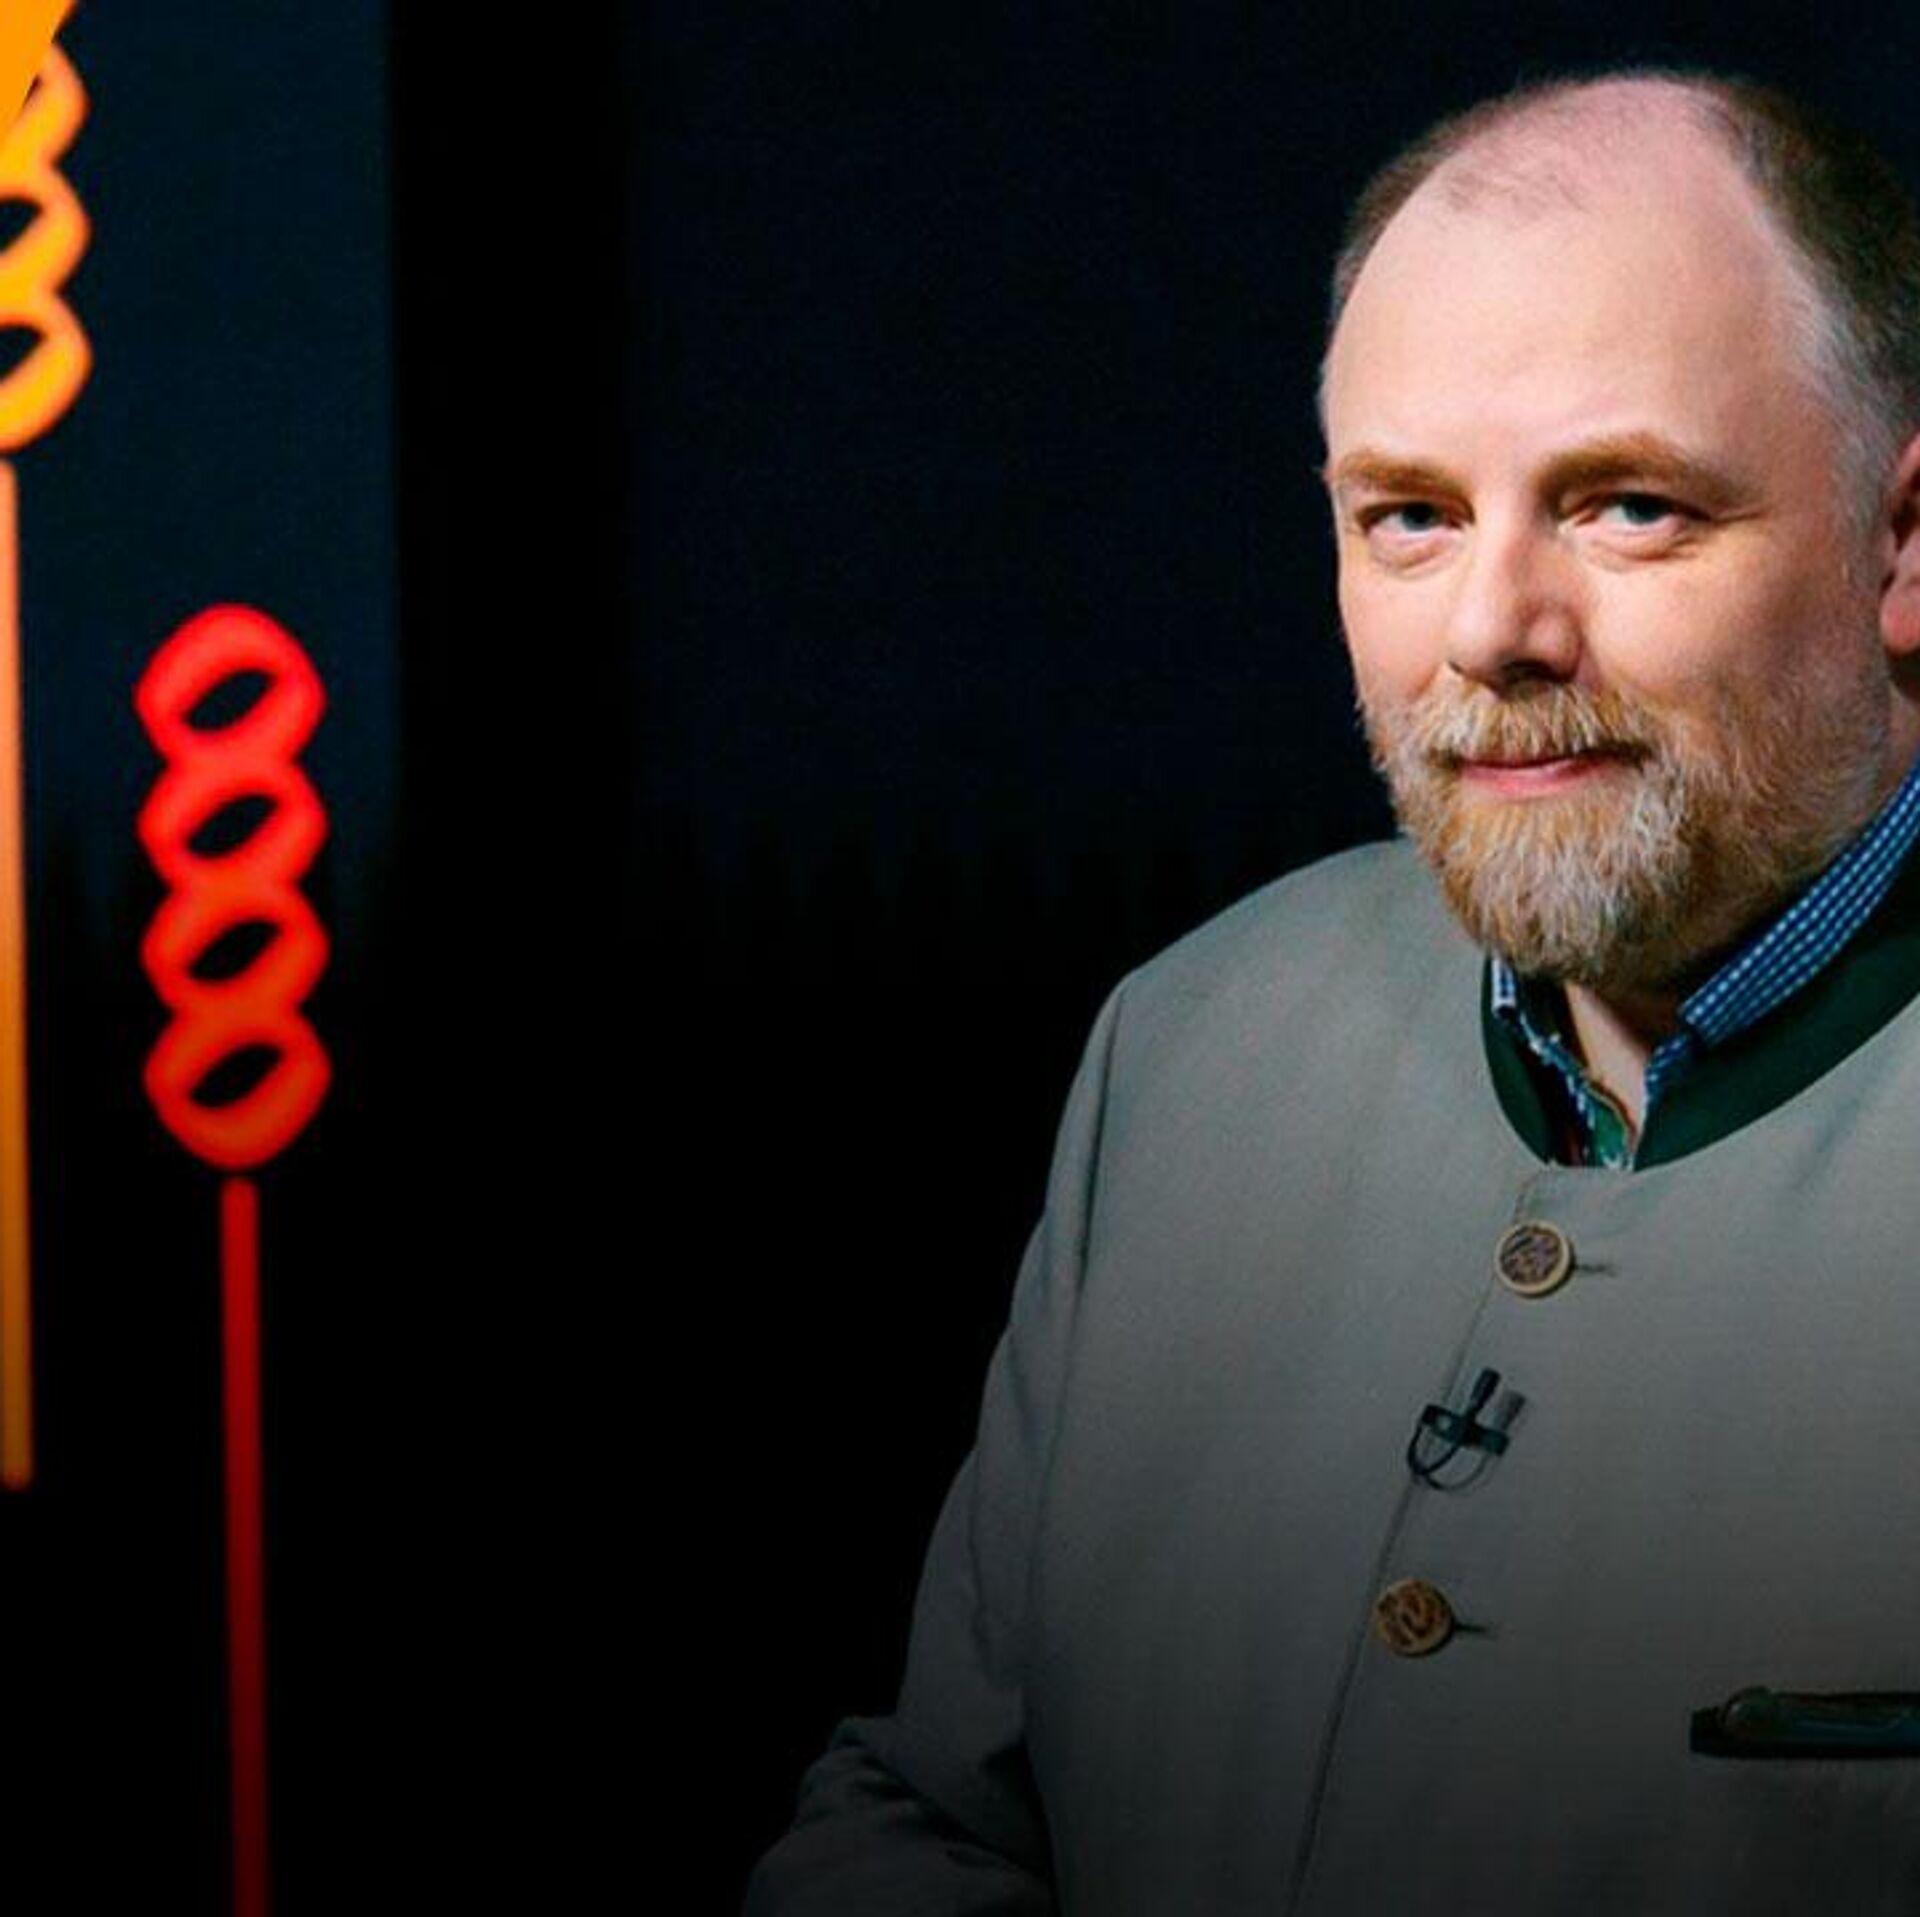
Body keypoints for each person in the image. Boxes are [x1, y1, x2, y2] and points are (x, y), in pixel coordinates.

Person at [747, 67, 1920, 1914]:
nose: (1492, 630)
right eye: (1409, 517)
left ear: (1901, 545)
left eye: (1626, 506)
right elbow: (944, 1813)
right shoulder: (1190, 1048)